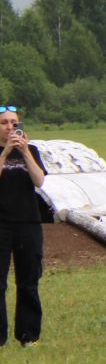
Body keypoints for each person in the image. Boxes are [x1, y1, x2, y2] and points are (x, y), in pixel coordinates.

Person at [0, 105, 48, 347]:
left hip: (28, 222)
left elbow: (39, 181)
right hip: (1, 224)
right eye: (4, 123)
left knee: (28, 280)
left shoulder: (32, 151)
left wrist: (25, 152)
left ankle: (28, 336)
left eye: (13, 122)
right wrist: (5, 152)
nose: (10, 127)